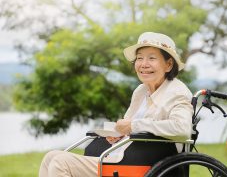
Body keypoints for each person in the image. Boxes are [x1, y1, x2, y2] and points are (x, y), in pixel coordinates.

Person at [39, 32, 193, 177]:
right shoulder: (141, 91)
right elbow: (128, 125)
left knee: (60, 162)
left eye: (152, 58)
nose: (143, 64)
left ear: (168, 65)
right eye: (139, 58)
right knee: (51, 156)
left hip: (146, 163)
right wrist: (118, 133)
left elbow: (182, 129)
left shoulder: (177, 92)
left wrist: (133, 126)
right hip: (125, 154)